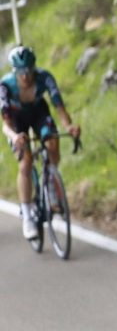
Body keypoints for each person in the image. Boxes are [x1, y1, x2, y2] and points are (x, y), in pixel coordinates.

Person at [1, 45, 81, 240]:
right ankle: (27, 215)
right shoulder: (5, 86)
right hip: (16, 120)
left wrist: (68, 126)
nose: (26, 76)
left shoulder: (44, 77)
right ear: (14, 71)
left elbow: (59, 108)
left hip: (38, 113)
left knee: (52, 144)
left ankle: (52, 184)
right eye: (21, 72)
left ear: (34, 68)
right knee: (25, 162)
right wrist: (14, 137)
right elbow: (6, 124)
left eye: (29, 70)